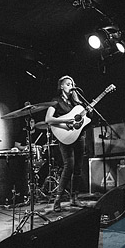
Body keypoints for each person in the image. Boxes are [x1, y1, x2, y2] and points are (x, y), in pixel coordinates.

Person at [44, 75, 86, 212]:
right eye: (68, 84)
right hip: (65, 136)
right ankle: (58, 200)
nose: (71, 86)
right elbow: (48, 119)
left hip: (80, 135)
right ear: (61, 86)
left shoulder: (76, 103)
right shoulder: (56, 101)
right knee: (69, 166)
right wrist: (65, 122)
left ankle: (74, 198)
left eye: (72, 84)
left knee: (78, 167)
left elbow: (82, 119)